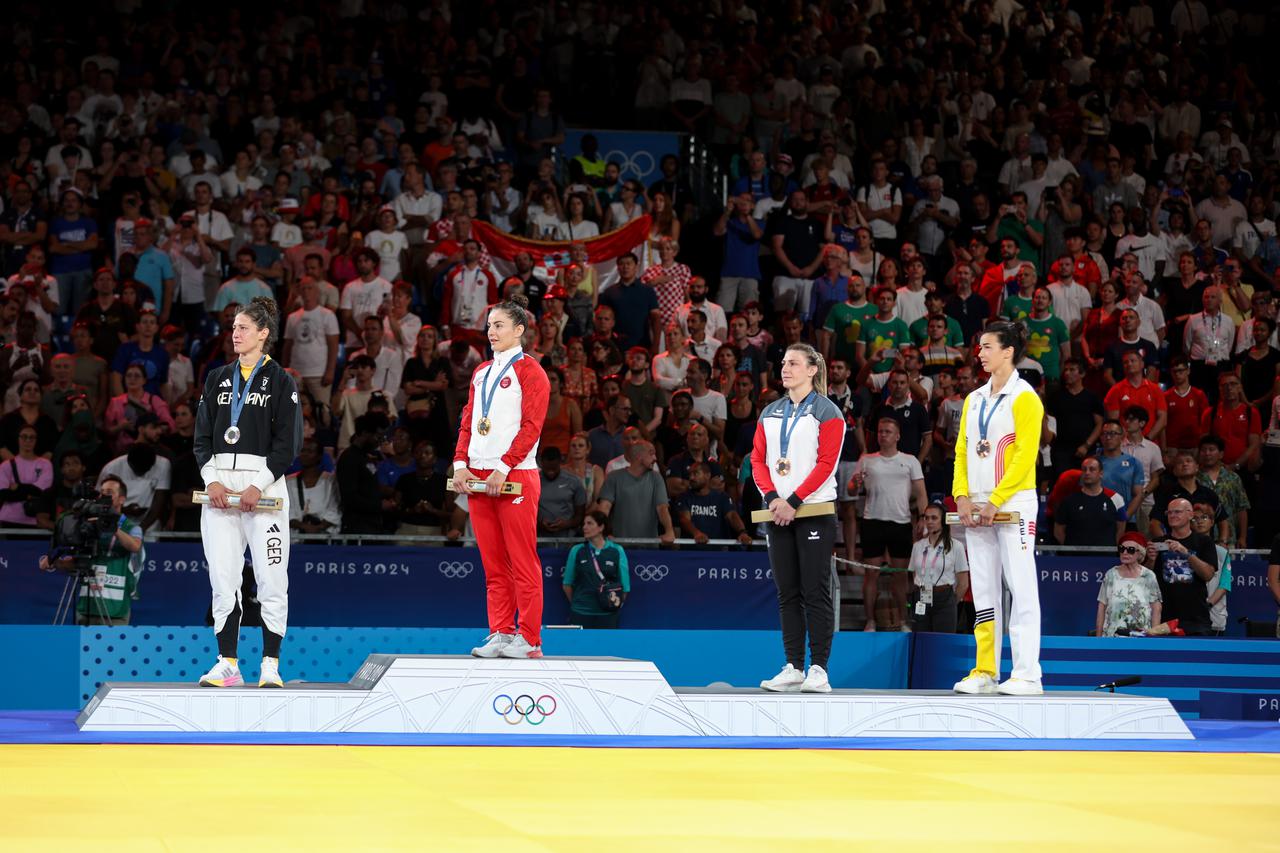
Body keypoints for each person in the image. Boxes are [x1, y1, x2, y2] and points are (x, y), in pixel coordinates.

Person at [193, 297, 303, 688]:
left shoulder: (281, 381)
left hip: (265, 489)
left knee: (272, 578)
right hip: (220, 490)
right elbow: (201, 438)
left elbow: (287, 443)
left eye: (242, 328)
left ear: (263, 334)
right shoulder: (217, 377)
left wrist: (258, 484)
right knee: (223, 579)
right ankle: (227, 662)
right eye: (233, 328)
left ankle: (270, 663)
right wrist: (212, 481)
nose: (234, 334)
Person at [452, 295, 550, 660]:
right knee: (493, 564)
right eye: (489, 325)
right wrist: (460, 462)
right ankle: (501, 631)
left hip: (516, 474)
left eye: (499, 325)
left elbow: (532, 426)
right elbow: (468, 421)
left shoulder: (531, 371)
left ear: (519, 330)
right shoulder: (480, 373)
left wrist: (504, 466)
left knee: (522, 561)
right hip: (478, 475)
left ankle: (530, 638)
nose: (490, 332)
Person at [953, 321, 1045, 695]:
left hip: (1014, 503)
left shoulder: (1025, 398)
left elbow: (1025, 456)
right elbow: (962, 450)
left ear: (1008, 351)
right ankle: (985, 670)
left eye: (987, 346)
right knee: (985, 589)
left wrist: (995, 500)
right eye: (980, 346)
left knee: (1020, 586)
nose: (980, 352)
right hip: (976, 505)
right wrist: (961, 496)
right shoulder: (974, 398)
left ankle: (1027, 674)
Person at [751, 343, 844, 694]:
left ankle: (819, 668)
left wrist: (794, 500)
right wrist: (774, 498)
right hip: (778, 512)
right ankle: (793, 666)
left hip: (814, 512)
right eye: (784, 362)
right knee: (786, 592)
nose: (785, 368)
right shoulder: (770, 412)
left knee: (815, 590)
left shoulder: (828, 411)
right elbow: (757, 460)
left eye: (793, 363)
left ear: (812, 370)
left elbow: (827, 463)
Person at [852, 417, 927, 632]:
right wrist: (853, 483)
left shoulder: (910, 460)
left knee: (900, 575)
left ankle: (903, 621)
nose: (883, 435)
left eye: (887, 431)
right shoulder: (866, 459)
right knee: (871, 574)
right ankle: (870, 620)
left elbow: (921, 493)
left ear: (897, 436)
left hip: (900, 522)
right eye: (880, 431)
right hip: (872, 521)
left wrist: (922, 517)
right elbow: (851, 490)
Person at [38, 475, 143, 625]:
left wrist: (112, 527)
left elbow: (135, 546)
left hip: (115, 610)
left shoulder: (132, 527)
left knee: (110, 649)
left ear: (122, 499)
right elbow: (80, 561)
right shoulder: (89, 524)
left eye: (110, 492)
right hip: (86, 607)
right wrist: (54, 562)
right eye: (102, 491)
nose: (104, 495)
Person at [1142, 497, 1217, 636]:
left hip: (1196, 619)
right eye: (1169, 513)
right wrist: (1151, 560)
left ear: (1190, 514)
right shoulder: (1158, 542)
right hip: (1162, 619)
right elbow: (1144, 580)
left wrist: (1186, 553)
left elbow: (1208, 575)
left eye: (1177, 512)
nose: (1172, 516)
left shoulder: (1204, 541)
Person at [561, 510, 630, 629]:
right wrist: (578, 605)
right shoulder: (577, 550)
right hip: (580, 613)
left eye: (589, 523)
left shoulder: (617, 551)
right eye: (584, 524)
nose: (584, 527)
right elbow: (567, 584)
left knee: (607, 647)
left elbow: (625, 586)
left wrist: (613, 606)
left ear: (601, 527)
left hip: (608, 615)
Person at [908, 503, 970, 634]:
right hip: (922, 596)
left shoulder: (956, 546)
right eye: (926, 517)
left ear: (943, 520)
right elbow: (915, 575)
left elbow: (963, 583)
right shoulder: (917, 546)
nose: (929, 521)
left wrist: (951, 603)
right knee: (921, 642)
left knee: (944, 642)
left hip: (944, 598)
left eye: (934, 518)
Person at [1095, 531, 1163, 637]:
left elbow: (1156, 608)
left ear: (1140, 553)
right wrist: (1098, 639)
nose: (1125, 553)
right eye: (1122, 549)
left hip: (1142, 638)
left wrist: (1154, 638)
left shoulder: (1149, 576)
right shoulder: (1111, 574)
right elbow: (1101, 607)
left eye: (1130, 550)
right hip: (1112, 637)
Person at [1052, 456, 1127, 548]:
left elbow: (1121, 529)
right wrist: (1071, 549)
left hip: (1105, 558)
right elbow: (1058, 531)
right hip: (1075, 558)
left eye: (1092, 469)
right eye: (1084, 469)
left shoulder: (1115, 499)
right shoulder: (1069, 501)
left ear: (1101, 474)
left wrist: (1112, 549)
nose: (1087, 473)